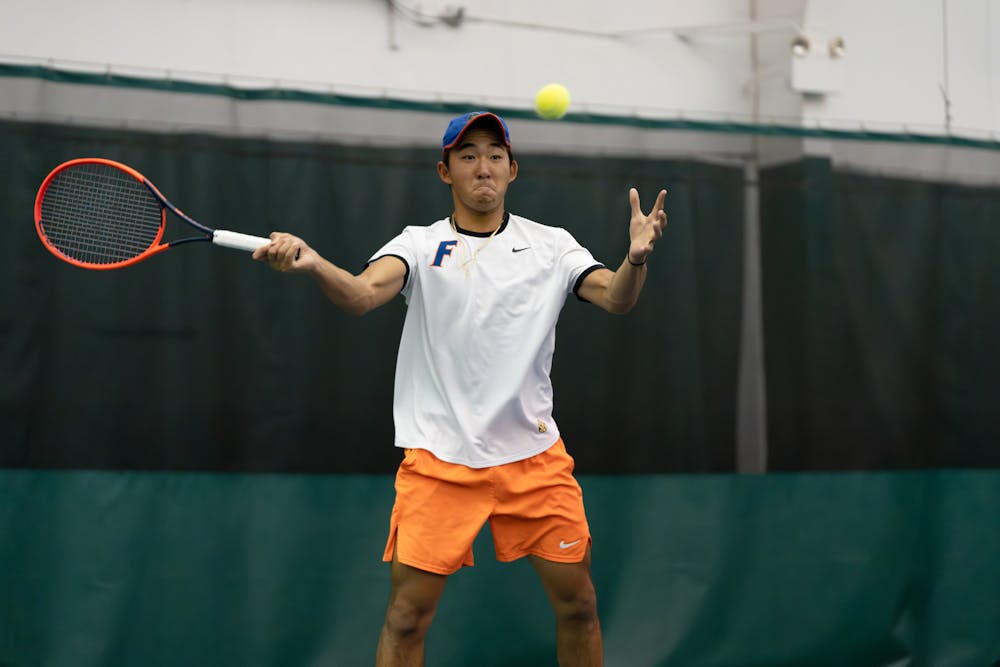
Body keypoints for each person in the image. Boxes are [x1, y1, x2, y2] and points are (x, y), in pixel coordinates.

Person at [253, 111, 667, 667]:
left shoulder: (551, 246)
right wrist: (315, 263)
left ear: (513, 170)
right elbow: (358, 295)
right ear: (445, 171)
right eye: (467, 155)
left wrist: (635, 260)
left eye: (495, 155)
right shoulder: (418, 246)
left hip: (535, 461)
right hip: (440, 461)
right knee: (406, 617)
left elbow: (617, 297)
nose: (483, 167)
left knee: (580, 607)